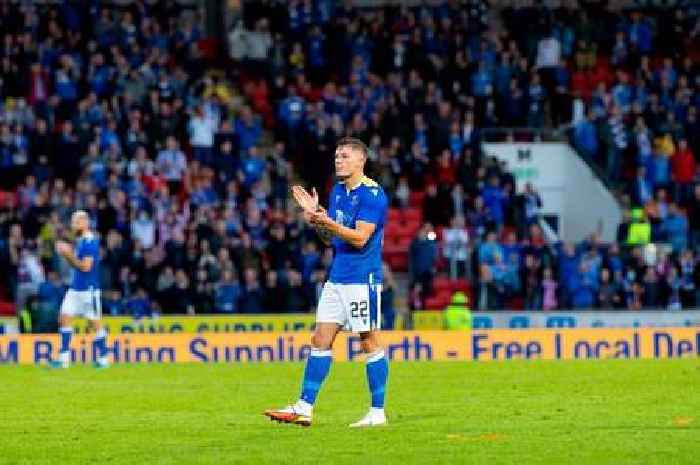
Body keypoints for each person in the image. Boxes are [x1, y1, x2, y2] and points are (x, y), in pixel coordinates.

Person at [264, 137, 389, 428]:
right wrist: (316, 219)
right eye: (336, 156)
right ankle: (304, 406)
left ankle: (377, 411)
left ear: (361, 160)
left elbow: (360, 238)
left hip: (362, 278)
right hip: (337, 277)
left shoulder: (373, 195)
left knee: (368, 341)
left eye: (345, 156)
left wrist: (326, 220)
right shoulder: (337, 192)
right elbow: (330, 238)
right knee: (320, 339)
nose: (338, 160)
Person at [50, 211, 109, 368]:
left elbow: (85, 266)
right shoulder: (81, 240)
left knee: (95, 323)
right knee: (64, 318)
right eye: (72, 221)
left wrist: (67, 254)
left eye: (76, 222)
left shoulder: (90, 241)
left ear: (85, 223)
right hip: (76, 289)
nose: (73, 225)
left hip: (88, 291)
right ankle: (64, 360)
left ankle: (103, 359)